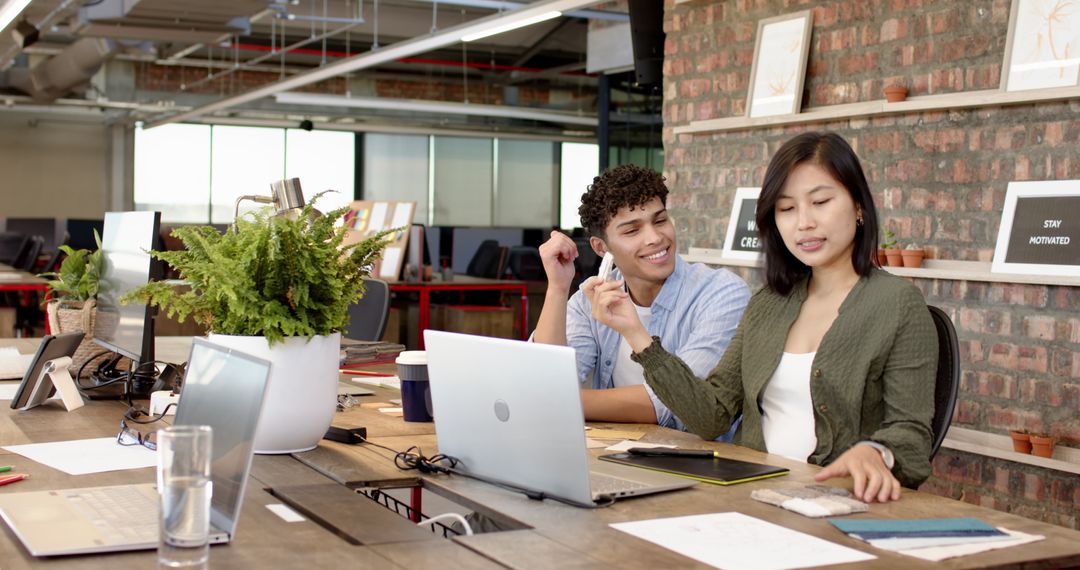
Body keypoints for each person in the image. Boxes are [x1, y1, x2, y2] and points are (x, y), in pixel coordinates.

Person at [586, 133, 937, 502]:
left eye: (820, 201)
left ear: (859, 205)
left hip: (839, 506)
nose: (804, 223)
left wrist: (876, 451)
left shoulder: (897, 304)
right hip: (754, 499)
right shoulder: (769, 303)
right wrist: (636, 333)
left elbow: (912, 437)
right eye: (786, 209)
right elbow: (711, 416)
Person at [533, 164, 750, 432]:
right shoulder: (590, 299)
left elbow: (678, 403)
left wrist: (559, 402)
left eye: (660, 220)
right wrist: (557, 287)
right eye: (632, 231)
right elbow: (546, 380)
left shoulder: (721, 294)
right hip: (619, 458)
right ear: (602, 248)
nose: (655, 237)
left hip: (701, 465)